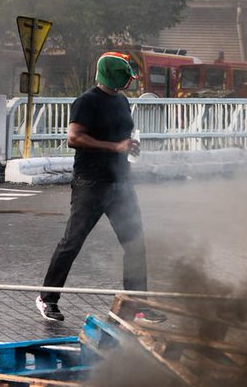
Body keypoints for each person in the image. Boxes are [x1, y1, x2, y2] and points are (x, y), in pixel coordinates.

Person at [37, 51, 164, 323]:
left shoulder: (121, 101)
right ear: (112, 75)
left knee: (135, 244)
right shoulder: (86, 102)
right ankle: (47, 298)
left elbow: (120, 135)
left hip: (121, 182)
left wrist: (127, 147)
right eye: (126, 77)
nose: (129, 82)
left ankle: (135, 306)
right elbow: (74, 138)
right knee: (72, 242)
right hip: (91, 183)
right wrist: (113, 146)